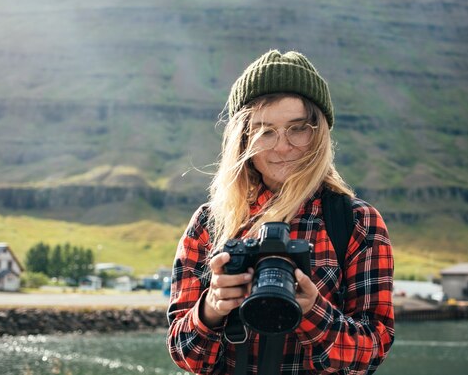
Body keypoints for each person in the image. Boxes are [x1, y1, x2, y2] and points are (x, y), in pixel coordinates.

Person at [167, 50, 395, 374]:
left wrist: (313, 311)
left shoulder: (357, 222)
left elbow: (372, 351)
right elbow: (184, 354)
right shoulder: (209, 223)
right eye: (264, 130)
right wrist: (212, 307)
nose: (282, 146)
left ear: (318, 133)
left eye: (297, 128)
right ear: (243, 137)